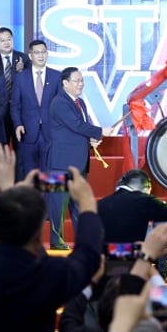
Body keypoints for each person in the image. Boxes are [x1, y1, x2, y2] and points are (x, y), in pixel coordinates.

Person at [0, 167, 103, 332]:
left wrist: (8, 196)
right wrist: (87, 202)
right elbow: (89, 255)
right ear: (39, 233)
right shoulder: (51, 273)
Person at [46, 67, 110, 245]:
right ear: (65, 83)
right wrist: (100, 131)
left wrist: (91, 141)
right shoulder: (59, 102)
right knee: (58, 206)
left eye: (82, 80)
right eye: (76, 81)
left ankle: (82, 241)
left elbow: (78, 128)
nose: (80, 84)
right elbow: (76, 125)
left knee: (78, 205)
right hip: (60, 162)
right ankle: (56, 242)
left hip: (78, 162)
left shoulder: (79, 102)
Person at [97, 169, 167, 243]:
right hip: (133, 259)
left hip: (101, 259)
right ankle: (163, 262)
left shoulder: (100, 204)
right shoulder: (145, 201)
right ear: (147, 188)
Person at [10, 39, 61, 177]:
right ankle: (30, 199)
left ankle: (51, 200)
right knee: (29, 173)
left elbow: (62, 106)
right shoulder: (20, 78)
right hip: (28, 133)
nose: (41, 55)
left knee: (52, 173)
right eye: (37, 52)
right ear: (30, 55)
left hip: (50, 133)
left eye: (44, 52)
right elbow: (15, 106)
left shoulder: (57, 76)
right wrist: (18, 124)